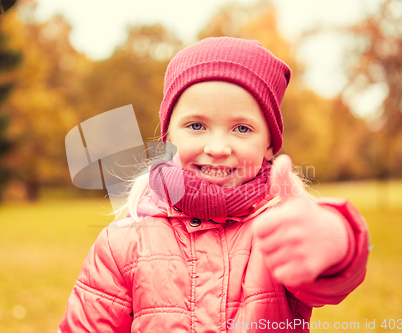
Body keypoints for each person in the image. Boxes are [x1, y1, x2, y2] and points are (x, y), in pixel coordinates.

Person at [58, 37, 369, 333]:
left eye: (242, 128)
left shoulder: (280, 230)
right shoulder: (123, 243)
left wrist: (335, 240)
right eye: (197, 126)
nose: (218, 147)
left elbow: (327, 284)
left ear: (269, 146)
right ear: (168, 137)